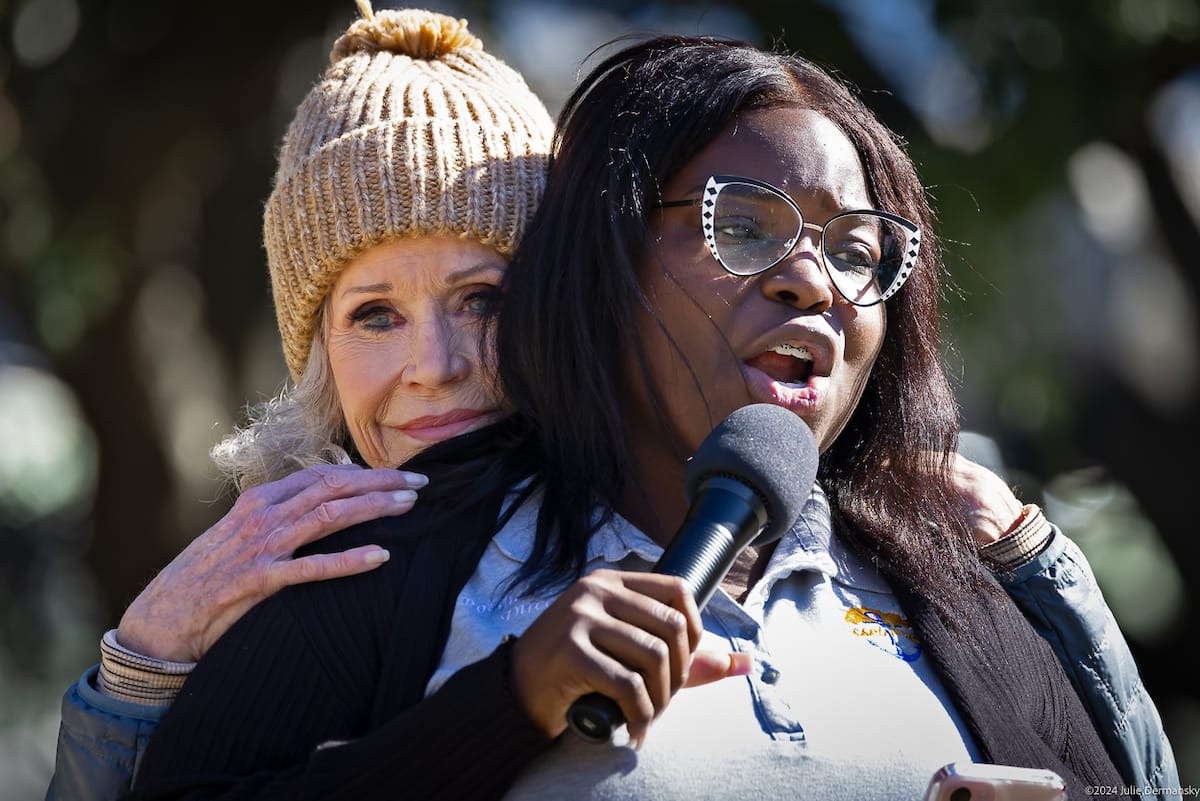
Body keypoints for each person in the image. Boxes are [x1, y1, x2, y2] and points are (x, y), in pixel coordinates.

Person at [113, 30, 1180, 801]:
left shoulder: (958, 573)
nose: (813, 277)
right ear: (602, 264)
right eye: (744, 225)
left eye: (857, 250)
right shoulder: (376, 562)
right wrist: (506, 704)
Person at [45, 4, 554, 800]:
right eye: (375, 314)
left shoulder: (671, 510)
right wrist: (140, 667)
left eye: (482, 300)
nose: (435, 366)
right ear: (319, 358)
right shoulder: (288, 604)